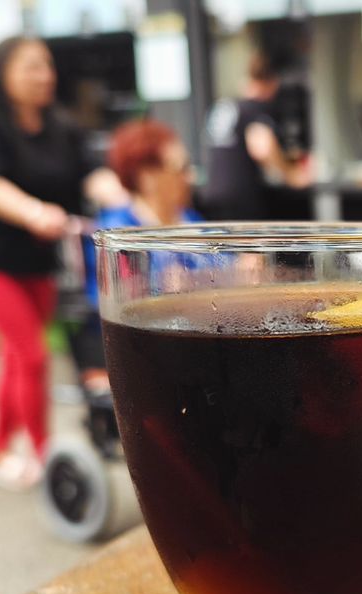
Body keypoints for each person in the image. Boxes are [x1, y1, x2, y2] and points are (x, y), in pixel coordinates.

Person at [0, 36, 111, 489]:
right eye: (30, 66)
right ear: (3, 72)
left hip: (38, 263)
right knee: (32, 355)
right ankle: (48, 462)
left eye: (47, 66)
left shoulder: (64, 126)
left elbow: (92, 174)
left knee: (14, 358)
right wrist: (33, 212)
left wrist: (123, 196)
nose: (44, 75)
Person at [72, 119, 203, 395]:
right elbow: (112, 300)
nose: (190, 177)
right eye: (180, 168)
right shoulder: (118, 232)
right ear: (147, 175)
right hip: (146, 355)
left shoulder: (190, 220)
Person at [203, 50, 311, 221]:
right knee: (248, 247)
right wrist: (292, 176)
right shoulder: (255, 109)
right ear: (273, 82)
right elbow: (263, 148)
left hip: (212, 195)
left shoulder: (224, 105)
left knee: (222, 247)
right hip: (241, 197)